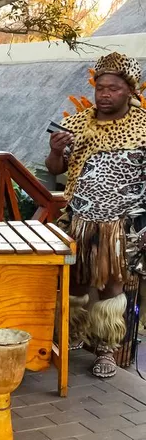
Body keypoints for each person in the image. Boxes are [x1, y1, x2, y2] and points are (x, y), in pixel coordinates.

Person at [46, 52, 146, 379]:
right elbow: (56, 171)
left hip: (120, 223)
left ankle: (106, 349)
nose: (104, 94)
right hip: (78, 217)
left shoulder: (143, 128)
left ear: (130, 91)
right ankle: (73, 334)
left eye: (113, 88)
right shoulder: (78, 122)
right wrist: (55, 151)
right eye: (99, 87)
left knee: (111, 288)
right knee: (74, 281)